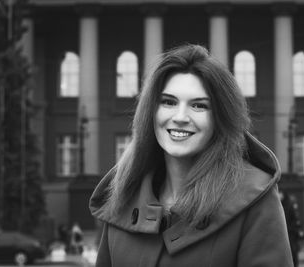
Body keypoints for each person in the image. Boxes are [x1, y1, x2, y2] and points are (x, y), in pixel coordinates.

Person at [89, 44, 293, 266]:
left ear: (220, 118)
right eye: (168, 102)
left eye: (198, 106)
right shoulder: (124, 195)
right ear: (151, 111)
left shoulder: (254, 199)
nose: (180, 116)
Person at [280, 190, 304, 267]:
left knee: (292, 252)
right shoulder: (283, 205)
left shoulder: (288, 206)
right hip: (288, 233)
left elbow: (293, 220)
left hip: (290, 233)